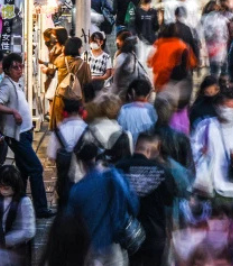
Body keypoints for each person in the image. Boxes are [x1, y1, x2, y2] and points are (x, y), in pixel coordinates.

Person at [0, 53, 55, 219]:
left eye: (21, 66)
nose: (19, 70)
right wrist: (13, 111)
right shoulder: (7, 85)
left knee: (24, 172)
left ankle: (16, 205)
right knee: (36, 168)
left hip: (24, 134)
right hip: (17, 137)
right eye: (15, 67)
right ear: (6, 70)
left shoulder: (15, 83)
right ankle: (41, 208)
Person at [64, 142, 139, 266]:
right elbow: (134, 204)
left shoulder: (77, 190)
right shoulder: (116, 177)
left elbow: (70, 222)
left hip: (90, 247)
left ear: (81, 163)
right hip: (115, 243)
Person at [117, 133, 178, 266]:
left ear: (136, 146)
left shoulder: (118, 168)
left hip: (127, 233)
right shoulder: (162, 172)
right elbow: (170, 201)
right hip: (155, 234)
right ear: (150, 150)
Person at [191, 92, 233, 200]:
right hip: (207, 184)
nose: (231, 111)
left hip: (230, 184)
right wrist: (201, 151)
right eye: (228, 106)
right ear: (218, 106)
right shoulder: (205, 125)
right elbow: (193, 148)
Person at [0, 165, 36, 255]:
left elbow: (28, 231)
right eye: (1, 186)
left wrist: (5, 241)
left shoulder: (24, 200)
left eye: (6, 188)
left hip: (16, 247)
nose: (3, 190)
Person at [48, 98, 89, 207]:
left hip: (64, 179)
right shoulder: (87, 129)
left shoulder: (58, 131)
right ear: (81, 112)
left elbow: (51, 157)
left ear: (64, 113)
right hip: (84, 178)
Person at [51, 37, 92, 126]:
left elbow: (51, 70)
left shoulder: (59, 61)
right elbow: (88, 84)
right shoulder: (85, 66)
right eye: (81, 46)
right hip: (77, 100)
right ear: (77, 48)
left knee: (61, 129)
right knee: (76, 127)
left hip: (61, 99)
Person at [85, 95, 133, 165]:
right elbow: (129, 158)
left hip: (96, 172)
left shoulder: (89, 131)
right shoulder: (126, 134)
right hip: (119, 173)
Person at [149, 23, 197, 92]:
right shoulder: (183, 45)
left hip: (160, 82)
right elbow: (192, 63)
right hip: (176, 82)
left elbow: (150, 62)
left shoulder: (157, 44)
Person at [119, 78, 158, 145]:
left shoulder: (124, 109)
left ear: (132, 92)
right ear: (148, 94)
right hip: (146, 148)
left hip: (127, 148)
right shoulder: (153, 110)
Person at [112, 30, 147, 96]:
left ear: (122, 42)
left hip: (121, 90)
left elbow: (116, 74)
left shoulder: (121, 56)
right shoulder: (133, 55)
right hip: (131, 90)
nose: (118, 44)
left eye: (119, 42)